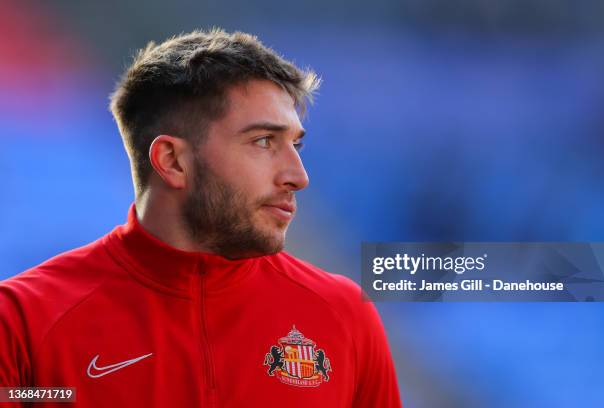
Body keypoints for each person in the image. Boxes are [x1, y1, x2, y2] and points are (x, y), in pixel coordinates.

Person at [0, 29, 401, 407]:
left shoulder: (344, 314)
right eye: (263, 141)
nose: (298, 176)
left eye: (295, 144)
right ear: (172, 161)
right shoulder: (22, 321)